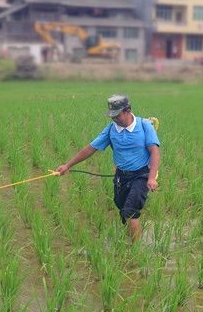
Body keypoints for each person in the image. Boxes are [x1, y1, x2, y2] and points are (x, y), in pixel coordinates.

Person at [56, 94, 160, 243]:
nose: (114, 119)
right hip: (121, 176)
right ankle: (130, 234)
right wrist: (67, 165)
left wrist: (151, 177)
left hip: (141, 175)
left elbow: (154, 151)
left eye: (117, 115)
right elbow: (90, 148)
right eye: (112, 116)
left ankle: (135, 250)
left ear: (128, 110)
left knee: (130, 212)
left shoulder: (144, 126)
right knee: (121, 206)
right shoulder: (111, 130)